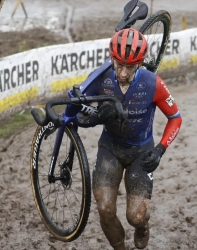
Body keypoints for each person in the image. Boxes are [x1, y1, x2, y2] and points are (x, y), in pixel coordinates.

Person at [65, 28, 182, 249]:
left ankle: (142, 226)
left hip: (142, 153)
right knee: (105, 209)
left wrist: (160, 150)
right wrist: (98, 116)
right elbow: (77, 116)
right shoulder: (100, 78)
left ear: (141, 62)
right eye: (119, 64)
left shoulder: (153, 83)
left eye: (130, 67)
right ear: (111, 58)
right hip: (110, 148)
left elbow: (175, 118)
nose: (122, 73)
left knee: (135, 216)